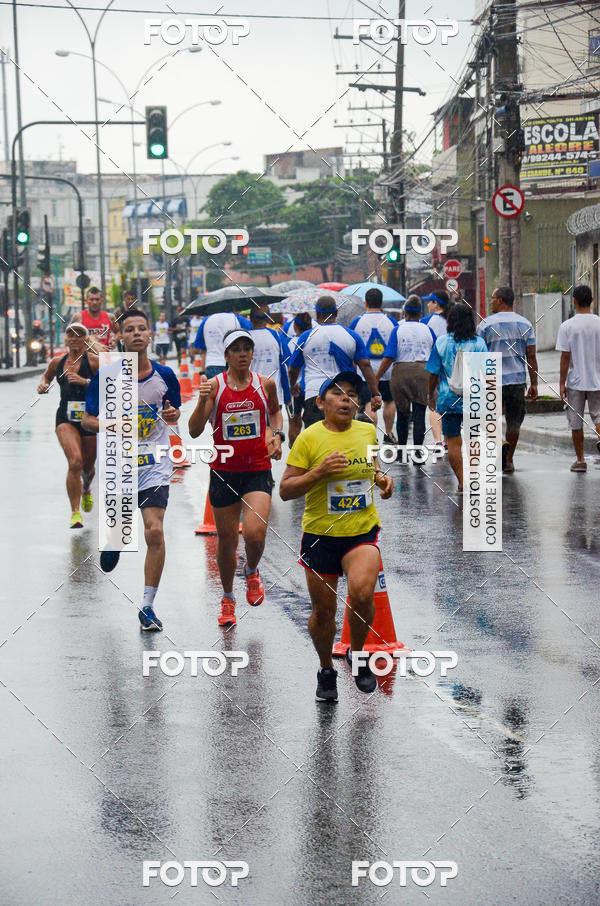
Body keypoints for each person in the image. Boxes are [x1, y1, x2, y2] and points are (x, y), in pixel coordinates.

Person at [279, 372, 394, 701]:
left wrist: (383, 481)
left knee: (361, 594)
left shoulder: (367, 431)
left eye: (352, 394)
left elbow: (371, 470)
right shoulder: (309, 438)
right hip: (320, 536)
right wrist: (318, 473)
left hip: (361, 530)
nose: (346, 399)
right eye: (338, 393)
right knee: (323, 612)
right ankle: (326, 667)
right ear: (321, 403)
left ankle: (357, 656)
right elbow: (285, 490)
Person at [83, 309, 182, 631]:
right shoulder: (107, 376)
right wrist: (116, 423)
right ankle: (113, 541)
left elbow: (174, 410)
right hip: (118, 463)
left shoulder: (165, 374)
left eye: (142, 328)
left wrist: (171, 415)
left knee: (154, 530)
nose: (137, 333)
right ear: (120, 337)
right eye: (130, 329)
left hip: (154, 462)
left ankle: (147, 606)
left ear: (150, 334)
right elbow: (87, 420)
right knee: (119, 530)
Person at [188, 328, 284, 627]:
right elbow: (193, 430)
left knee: (255, 534)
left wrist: (276, 435)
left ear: (252, 353)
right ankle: (228, 597)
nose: (243, 353)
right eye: (237, 349)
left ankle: (252, 570)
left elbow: (275, 414)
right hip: (224, 471)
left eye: (247, 348)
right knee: (227, 541)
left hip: (257, 468)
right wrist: (203, 402)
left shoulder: (264, 384)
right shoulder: (213, 387)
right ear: (226, 355)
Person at [37, 324, 100, 527]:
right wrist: (44, 385)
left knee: (88, 468)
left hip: (89, 419)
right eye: (70, 335)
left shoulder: (94, 362)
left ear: (85, 339)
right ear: (65, 339)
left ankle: (86, 488)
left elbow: (108, 386)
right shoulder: (58, 362)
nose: (74, 338)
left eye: (79, 335)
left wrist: (85, 382)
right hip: (65, 418)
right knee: (75, 462)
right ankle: (75, 513)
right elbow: (46, 376)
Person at [287, 295, 382, 429]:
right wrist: (375, 393)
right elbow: (365, 366)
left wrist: (292, 385)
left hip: (314, 396)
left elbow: (293, 369)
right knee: (342, 439)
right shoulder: (352, 336)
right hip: (343, 397)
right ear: (336, 313)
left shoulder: (305, 337)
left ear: (317, 313)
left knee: (316, 442)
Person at [426, 303, 488, 493]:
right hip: (474, 400)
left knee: (453, 442)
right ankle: (475, 477)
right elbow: (486, 373)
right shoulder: (479, 344)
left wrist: (430, 395)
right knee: (473, 439)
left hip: (447, 399)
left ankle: (461, 481)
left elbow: (433, 373)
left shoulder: (441, 343)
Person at [477, 285, 538, 473]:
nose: (491, 301)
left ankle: (500, 445)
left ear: (501, 300)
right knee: (514, 422)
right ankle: (509, 460)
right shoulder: (525, 324)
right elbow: (531, 356)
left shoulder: (485, 325)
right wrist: (534, 383)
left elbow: (479, 354)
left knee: (490, 419)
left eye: (493, 298)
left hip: (492, 381)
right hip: (517, 381)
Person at [376, 295, 435, 457]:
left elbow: (389, 357)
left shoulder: (398, 329)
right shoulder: (428, 330)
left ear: (405, 313)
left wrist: (376, 378)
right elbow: (436, 355)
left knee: (402, 414)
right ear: (419, 314)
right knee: (419, 414)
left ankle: (401, 452)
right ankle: (417, 454)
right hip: (424, 372)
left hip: (401, 372)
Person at [556, 284, 600, 472]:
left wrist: (561, 383)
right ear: (592, 300)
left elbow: (565, 357)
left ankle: (581, 460)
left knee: (576, 421)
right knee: (598, 418)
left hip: (575, 381)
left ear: (574, 301)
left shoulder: (567, 326)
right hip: (598, 380)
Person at [349, 288, 397, 442]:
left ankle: (371, 436)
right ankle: (388, 433)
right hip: (387, 370)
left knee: (370, 403)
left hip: (365, 372)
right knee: (389, 401)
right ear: (381, 303)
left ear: (366, 303)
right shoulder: (391, 322)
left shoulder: (357, 322)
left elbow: (351, 346)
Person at [421, 291, 451, 447]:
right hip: (452, 366)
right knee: (447, 402)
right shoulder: (452, 319)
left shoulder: (426, 321)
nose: (428, 305)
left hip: (434, 366)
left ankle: (438, 441)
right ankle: (448, 439)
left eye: (430, 302)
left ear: (436, 304)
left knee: (433, 402)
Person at [247, 301, 291, 409]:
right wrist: (287, 396)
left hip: (251, 396)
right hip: (274, 396)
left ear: (251, 318)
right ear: (268, 318)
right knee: (274, 426)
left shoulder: (245, 337)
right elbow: (285, 366)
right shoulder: (278, 336)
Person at [193, 310, 252, 379]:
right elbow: (253, 336)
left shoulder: (206, 320)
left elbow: (196, 348)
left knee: (216, 389)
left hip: (212, 364)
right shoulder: (238, 319)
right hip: (235, 364)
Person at [287, 312, 312, 446]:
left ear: (295, 326)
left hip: (295, 387)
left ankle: (293, 449)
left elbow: (288, 368)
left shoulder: (290, 343)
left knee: (295, 419)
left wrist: (290, 386)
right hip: (310, 387)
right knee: (311, 422)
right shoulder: (312, 340)